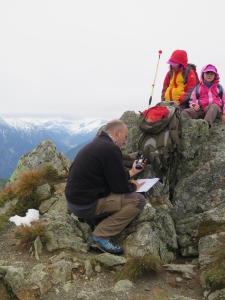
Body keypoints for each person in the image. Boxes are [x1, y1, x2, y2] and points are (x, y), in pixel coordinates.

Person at [65, 120, 146, 254]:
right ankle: (100, 235)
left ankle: (93, 220)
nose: (125, 141)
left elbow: (111, 175)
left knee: (122, 194)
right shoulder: (110, 149)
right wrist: (133, 186)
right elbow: (119, 187)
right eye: (125, 137)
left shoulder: (97, 144)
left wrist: (131, 173)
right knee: (138, 200)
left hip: (74, 203)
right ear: (117, 133)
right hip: (85, 206)